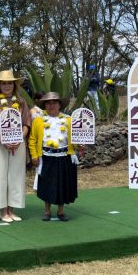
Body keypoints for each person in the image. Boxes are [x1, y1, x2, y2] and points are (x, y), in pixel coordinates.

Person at [28, 92, 83, 221]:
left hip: (64, 156)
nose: (51, 105)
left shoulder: (69, 120)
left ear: (59, 105)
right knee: (47, 184)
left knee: (62, 184)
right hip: (46, 157)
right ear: (44, 105)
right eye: (48, 103)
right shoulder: (38, 121)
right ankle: (47, 211)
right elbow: (32, 140)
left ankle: (61, 211)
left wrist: (80, 145)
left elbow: (75, 138)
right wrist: (34, 155)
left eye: (54, 103)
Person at [0, 70, 31, 222]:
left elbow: (26, 123)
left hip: (18, 144)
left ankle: (12, 209)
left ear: (14, 85)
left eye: (9, 83)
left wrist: (19, 138)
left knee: (16, 176)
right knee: (1, 176)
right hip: (1, 145)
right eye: (4, 83)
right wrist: (3, 141)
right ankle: (3, 211)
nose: (7, 86)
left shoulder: (22, 102)